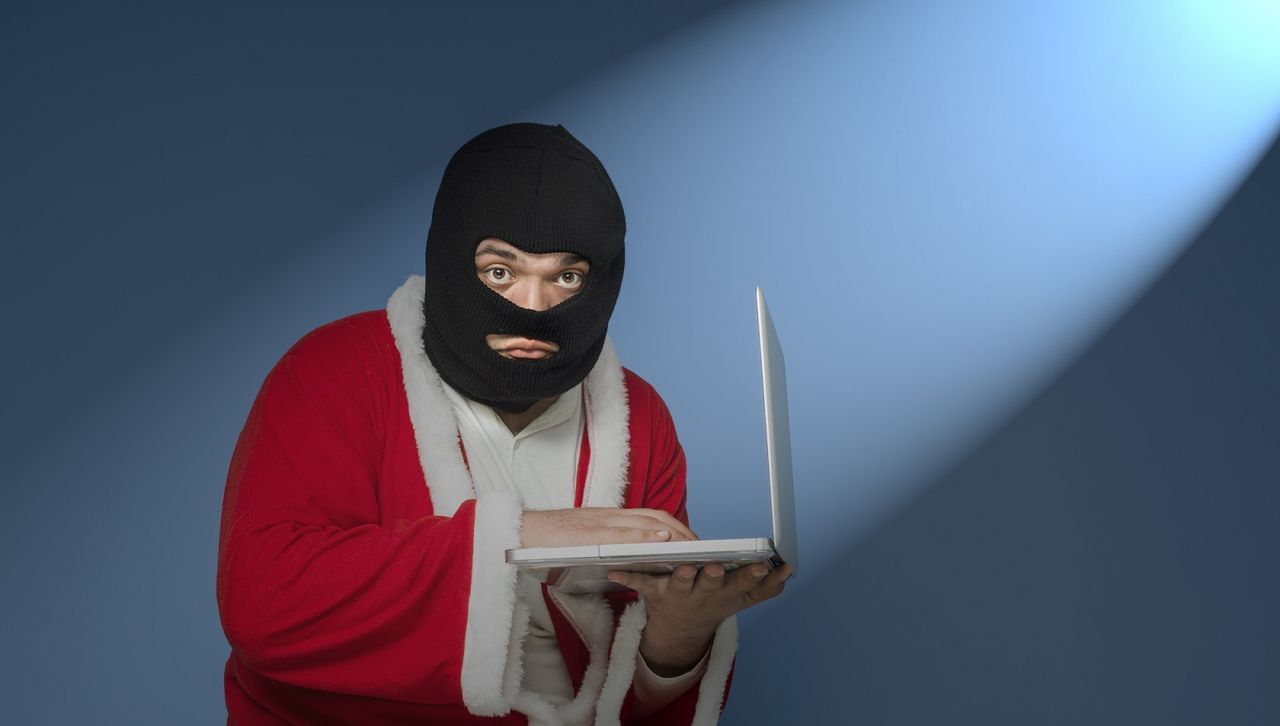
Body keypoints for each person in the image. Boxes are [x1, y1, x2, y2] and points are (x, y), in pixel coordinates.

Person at [216, 123, 790, 725]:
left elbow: (628, 702)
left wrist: (681, 632)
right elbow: (263, 602)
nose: (533, 310)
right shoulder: (333, 370)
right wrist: (524, 534)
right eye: (500, 272)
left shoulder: (639, 416)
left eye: (565, 278)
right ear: (451, 256)